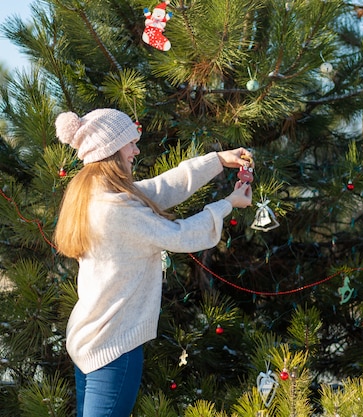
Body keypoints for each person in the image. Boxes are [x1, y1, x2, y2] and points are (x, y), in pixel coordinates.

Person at [53, 108, 253, 417]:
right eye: (129, 143)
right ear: (110, 150)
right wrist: (227, 204)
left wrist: (218, 160)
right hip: (114, 347)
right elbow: (181, 235)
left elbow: (162, 188)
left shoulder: (93, 192)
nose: (136, 150)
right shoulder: (116, 208)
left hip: (89, 339)